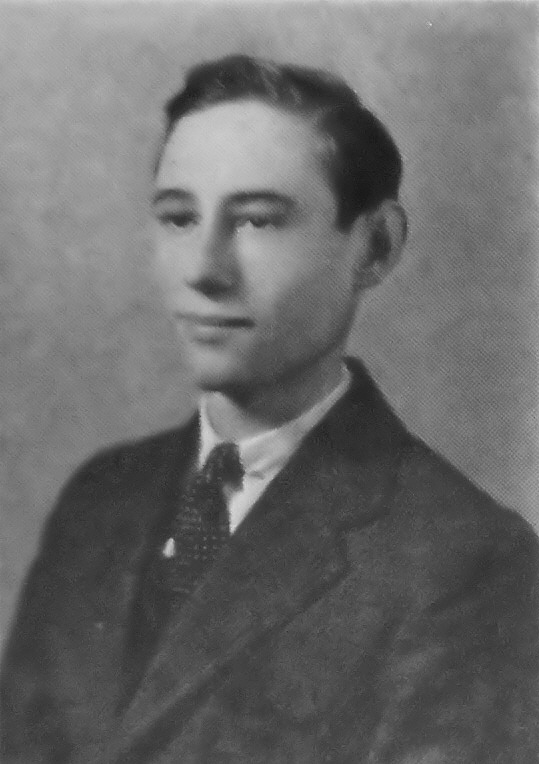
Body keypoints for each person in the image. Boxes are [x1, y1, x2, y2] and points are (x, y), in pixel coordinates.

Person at [1, 54, 538, 764]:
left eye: (256, 221)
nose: (203, 269)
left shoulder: (466, 563)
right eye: (179, 218)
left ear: (375, 248)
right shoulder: (99, 499)